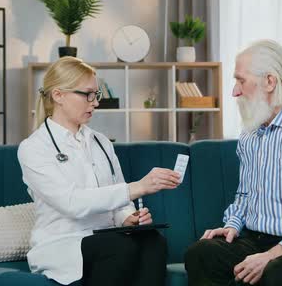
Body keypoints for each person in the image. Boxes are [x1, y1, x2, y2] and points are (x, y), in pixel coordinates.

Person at [184, 40, 282, 286]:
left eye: (241, 81)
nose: (234, 92)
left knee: (278, 271)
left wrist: (271, 255)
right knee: (201, 254)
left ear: (270, 81)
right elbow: (245, 194)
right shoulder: (249, 133)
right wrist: (233, 226)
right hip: (256, 239)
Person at [18, 56, 181, 286]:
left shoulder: (101, 142)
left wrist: (128, 219)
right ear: (58, 95)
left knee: (153, 242)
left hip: (106, 236)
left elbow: (119, 200)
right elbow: (71, 203)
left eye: (96, 95)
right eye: (87, 94)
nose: (95, 102)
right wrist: (139, 187)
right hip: (63, 243)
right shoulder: (34, 148)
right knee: (118, 247)